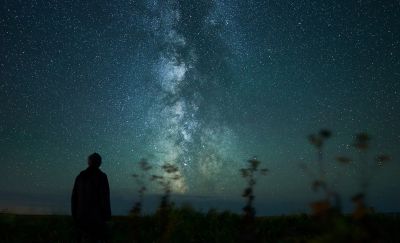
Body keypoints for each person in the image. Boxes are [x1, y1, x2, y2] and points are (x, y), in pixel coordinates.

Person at [71, 153, 111, 242]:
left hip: (80, 217)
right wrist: (106, 217)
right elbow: (104, 198)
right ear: (99, 163)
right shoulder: (102, 177)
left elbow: (74, 197)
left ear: (89, 162)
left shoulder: (80, 177)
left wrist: (75, 216)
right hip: (96, 219)